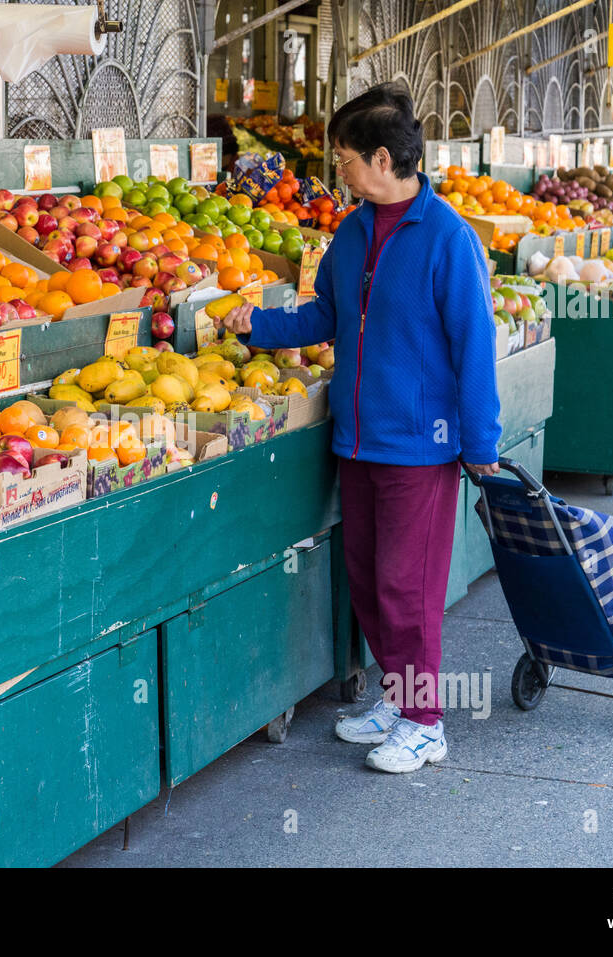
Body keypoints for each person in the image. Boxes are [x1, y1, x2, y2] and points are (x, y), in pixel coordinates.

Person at [218, 83, 502, 774]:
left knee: (411, 584)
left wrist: (481, 442)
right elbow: (326, 317)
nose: (336, 171)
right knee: (370, 577)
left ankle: (425, 719)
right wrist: (259, 326)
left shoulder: (448, 239)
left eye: (343, 159)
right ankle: (395, 698)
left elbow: (475, 344)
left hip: (421, 445)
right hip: (357, 437)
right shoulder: (351, 231)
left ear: (381, 158)